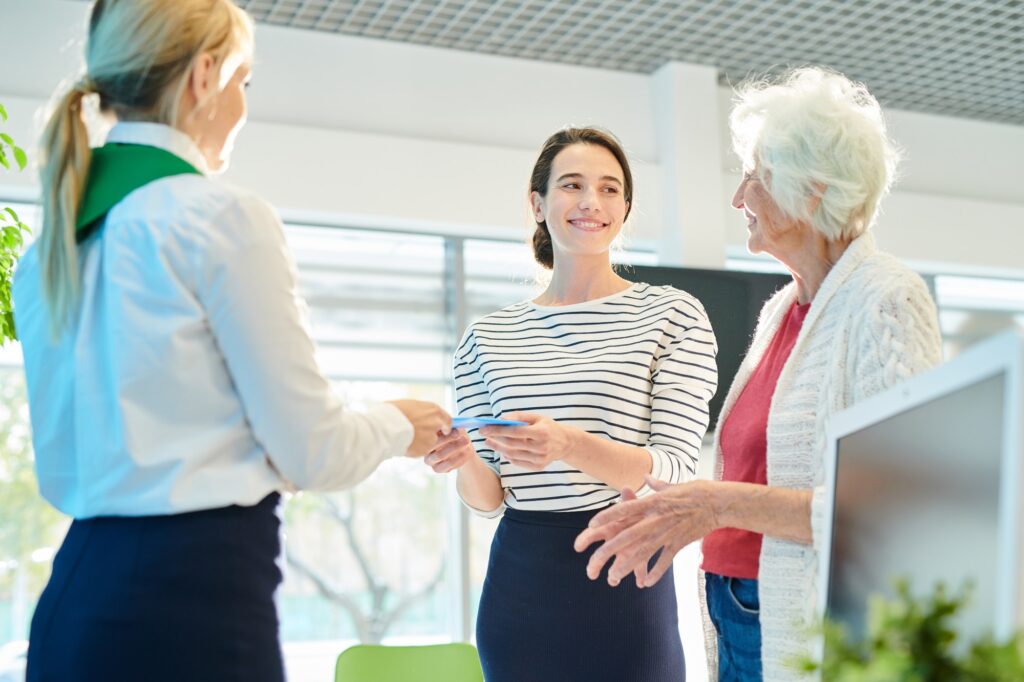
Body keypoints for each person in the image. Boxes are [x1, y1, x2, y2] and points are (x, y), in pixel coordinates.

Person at [12, 1, 450, 680]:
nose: (242, 107)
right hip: (191, 608)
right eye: (244, 83)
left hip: (76, 602)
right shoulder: (217, 219)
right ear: (205, 77)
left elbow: (172, 439)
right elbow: (313, 451)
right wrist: (401, 425)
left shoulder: (45, 257)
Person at [575, 67, 944, 681]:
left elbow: (899, 512)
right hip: (736, 604)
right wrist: (683, 508)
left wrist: (716, 504)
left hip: (798, 615)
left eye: (755, 175)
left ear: (813, 190)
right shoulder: (785, 307)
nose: (739, 196)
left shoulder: (886, 302)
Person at [424, 127, 718, 681]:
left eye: (609, 189)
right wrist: (461, 456)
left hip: (627, 568)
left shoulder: (672, 315)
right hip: (521, 586)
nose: (591, 202)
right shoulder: (486, 337)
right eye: (573, 185)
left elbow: (674, 471)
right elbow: (489, 500)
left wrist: (568, 444)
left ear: (625, 208)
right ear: (537, 203)